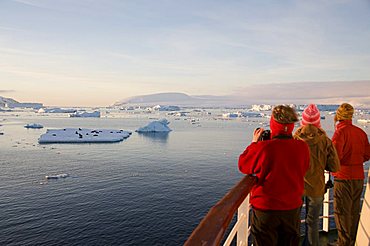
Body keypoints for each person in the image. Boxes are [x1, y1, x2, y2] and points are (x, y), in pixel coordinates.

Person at [238, 105, 310, 246]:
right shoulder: (302, 147)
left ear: (273, 123)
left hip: (266, 209)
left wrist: (254, 143)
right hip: (292, 207)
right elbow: (304, 167)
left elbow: (243, 165)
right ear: (291, 125)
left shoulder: (264, 148)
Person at [293, 104, 340, 246]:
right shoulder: (325, 141)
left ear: (303, 121)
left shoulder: (295, 139)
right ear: (318, 122)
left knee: (294, 222)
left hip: (296, 187)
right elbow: (335, 166)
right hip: (317, 188)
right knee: (312, 223)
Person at [331, 103, 370, 246]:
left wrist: (333, 167)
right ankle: (352, 240)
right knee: (353, 211)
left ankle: (344, 242)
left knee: (341, 212)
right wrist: (356, 160)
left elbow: (335, 157)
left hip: (343, 177)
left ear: (339, 115)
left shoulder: (340, 132)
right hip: (359, 177)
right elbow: (367, 154)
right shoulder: (360, 132)